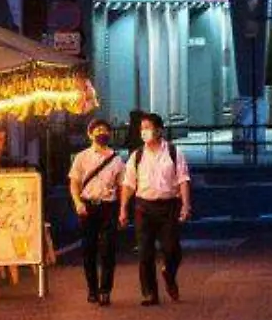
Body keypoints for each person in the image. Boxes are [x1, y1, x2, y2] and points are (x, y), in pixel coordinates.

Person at [120, 112, 192, 305]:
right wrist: (123, 209)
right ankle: (150, 293)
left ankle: (169, 273)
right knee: (145, 252)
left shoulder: (173, 152)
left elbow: (183, 180)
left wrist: (185, 205)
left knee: (172, 249)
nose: (144, 132)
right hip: (144, 207)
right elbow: (128, 184)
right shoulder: (137, 156)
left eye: (148, 128)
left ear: (159, 130)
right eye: (141, 128)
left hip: (168, 206)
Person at [68, 117, 127, 305]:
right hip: (87, 206)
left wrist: (123, 210)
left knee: (108, 249)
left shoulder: (116, 159)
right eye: (97, 129)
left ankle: (105, 290)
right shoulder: (81, 157)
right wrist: (78, 203)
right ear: (90, 134)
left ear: (110, 134)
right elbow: (74, 183)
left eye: (105, 130)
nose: (101, 133)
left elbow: (122, 186)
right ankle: (92, 289)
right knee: (88, 250)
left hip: (108, 206)